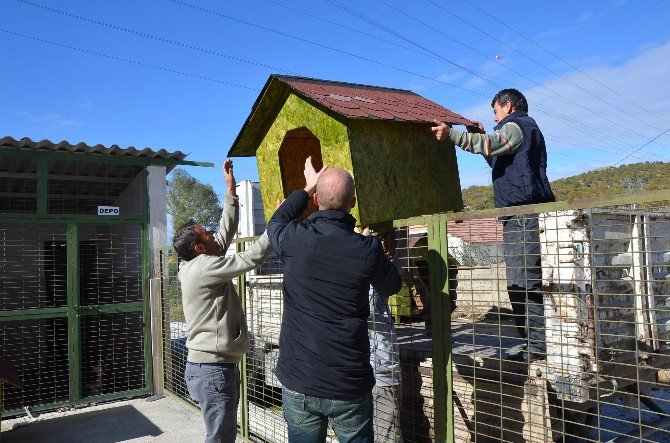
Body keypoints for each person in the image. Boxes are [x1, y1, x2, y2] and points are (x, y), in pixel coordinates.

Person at [267, 158, 402, 442]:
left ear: (316, 200)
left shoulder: (293, 238)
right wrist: (370, 251)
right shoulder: (367, 249)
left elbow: (277, 220)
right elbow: (392, 285)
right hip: (349, 384)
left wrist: (307, 186)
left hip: (299, 380)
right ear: (353, 203)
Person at [431, 88, 555, 362]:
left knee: (523, 283)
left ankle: (537, 348)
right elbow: (495, 153)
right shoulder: (522, 128)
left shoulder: (516, 126)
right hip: (523, 215)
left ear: (508, 106)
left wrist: (452, 135)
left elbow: (491, 145)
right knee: (523, 283)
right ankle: (536, 345)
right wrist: (478, 133)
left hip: (523, 216)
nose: (496, 118)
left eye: (496, 112)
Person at [172, 159, 273, 443]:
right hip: (213, 371)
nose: (213, 234)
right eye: (206, 234)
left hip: (208, 369)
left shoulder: (194, 264)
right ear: (200, 248)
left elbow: (224, 234)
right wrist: (278, 224)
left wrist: (230, 192)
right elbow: (250, 257)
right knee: (220, 439)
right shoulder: (205, 267)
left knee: (220, 436)